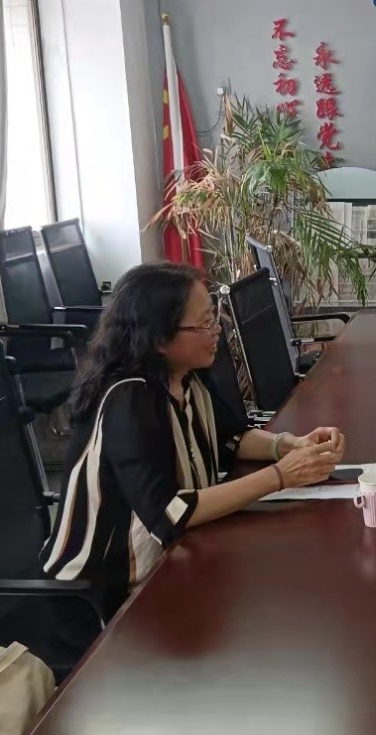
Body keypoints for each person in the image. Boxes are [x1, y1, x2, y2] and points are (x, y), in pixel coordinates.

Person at [41, 263, 346, 616]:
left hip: (167, 564)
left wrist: (289, 445)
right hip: (101, 599)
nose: (216, 330)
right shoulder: (130, 400)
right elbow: (170, 513)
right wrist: (281, 476)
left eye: (213, 317)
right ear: (159, 338)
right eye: (203, 324)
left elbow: (230, 437)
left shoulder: (187, 375)